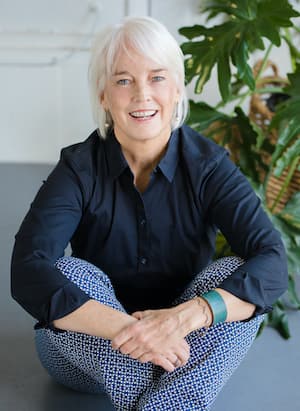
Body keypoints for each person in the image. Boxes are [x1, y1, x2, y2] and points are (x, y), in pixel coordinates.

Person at [11, 16, 288, 411]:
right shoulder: (79, 168)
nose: (142, 94)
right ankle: (173, 398)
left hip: (185, 342)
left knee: (235, 275)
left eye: (157, 78)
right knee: (73, 273)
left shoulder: (208, 166)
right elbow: (27, 269)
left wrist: (182, 319)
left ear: (176, 89)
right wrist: (131, 330)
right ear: (103, 95)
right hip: (88, 352)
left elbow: (272, 261)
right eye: (123, 80)